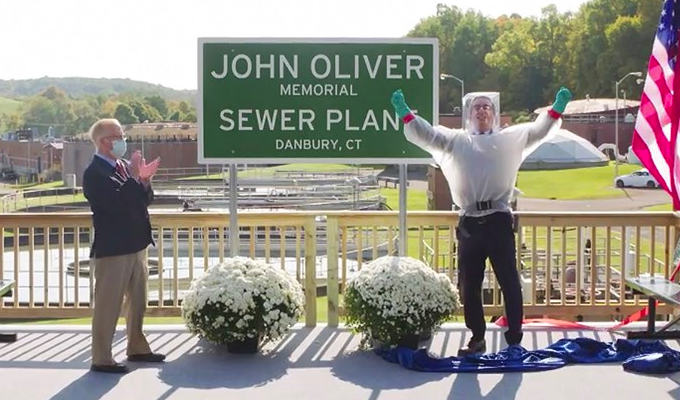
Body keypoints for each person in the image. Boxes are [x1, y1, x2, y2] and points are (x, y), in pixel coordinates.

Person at [391, 87, 572, 356]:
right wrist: (406, 115)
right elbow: (427, 135)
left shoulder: (511, 139)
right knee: (469, 284)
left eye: (487, 107)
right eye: (477, 107)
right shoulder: (456, 141)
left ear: (494, 113)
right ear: (469, 113)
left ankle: (514, 340)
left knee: (510, 281)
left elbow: (540, 131)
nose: (482, 110)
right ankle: (477, 338)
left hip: (499, 219)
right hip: (469, 223)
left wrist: (556, 110)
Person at [83, 119, 163, 373]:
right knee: (109, 304)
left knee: (138, 302)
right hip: (114, 248)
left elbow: (142, 201)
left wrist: (144, 180)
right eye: (117, 136)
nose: (122, 140)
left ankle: (137, 348)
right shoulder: (94, 173)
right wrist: (133, 179)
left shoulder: (123, 167)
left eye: (121, 135)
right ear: (104, 141)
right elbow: (115, 206)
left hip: (137, 244)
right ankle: (102, 358)